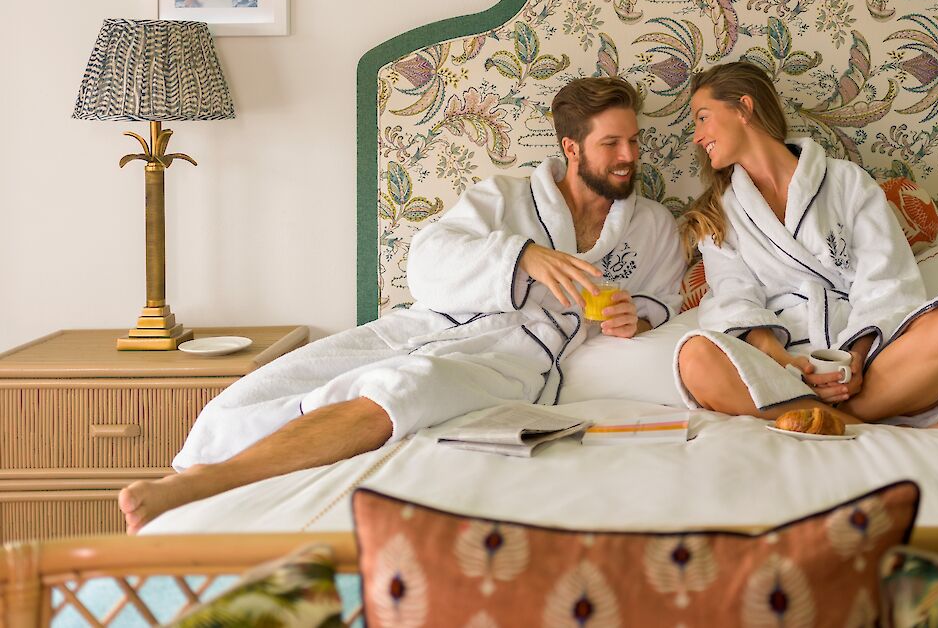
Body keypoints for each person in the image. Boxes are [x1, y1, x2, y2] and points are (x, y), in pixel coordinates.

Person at [118, 76, 686, 533]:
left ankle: (208, 484)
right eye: (611, 143)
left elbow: (661, 299)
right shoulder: (505, 198)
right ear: (571, 148)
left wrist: (637, 317)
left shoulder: (651, 225)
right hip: (430, 325)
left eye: (632, 141)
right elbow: (428, 261)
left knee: (406, 390)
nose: (628, 156)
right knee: (270, 385)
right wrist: (521, 257)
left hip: (512, 360)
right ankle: (201, 464)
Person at [675, 62, 938, 427]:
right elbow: (734, 301)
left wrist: (854, 357)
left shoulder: (845, 182)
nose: (697, 136)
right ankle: (852, 421)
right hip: (780, 369)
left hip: (864, 358)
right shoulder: (719, 213)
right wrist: (790, 364)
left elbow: (886, 278)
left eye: (702, 118)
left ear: (743, 108)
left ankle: (828, 418)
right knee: (694, 357)